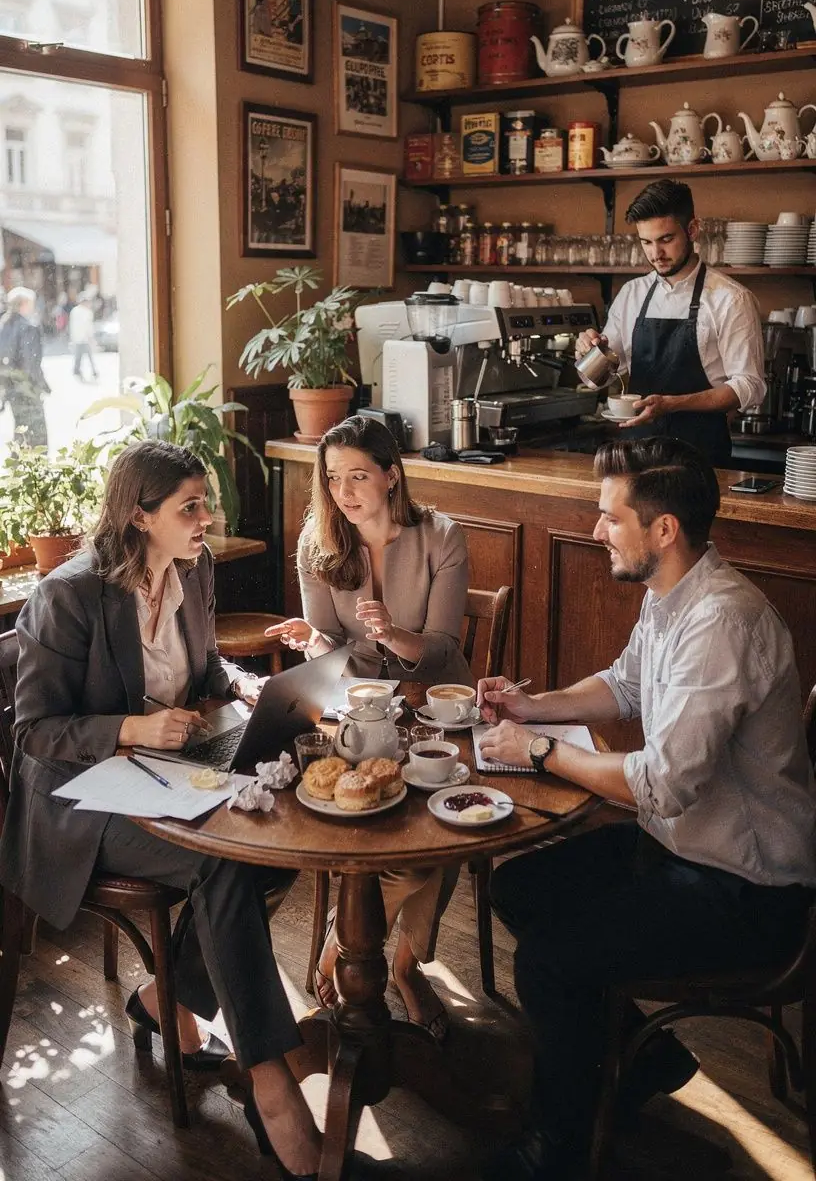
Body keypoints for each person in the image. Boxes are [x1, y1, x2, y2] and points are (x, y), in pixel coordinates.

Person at [475, 436, 816, 1181]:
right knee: (518, 887)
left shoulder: (722, 621)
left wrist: (538, 753)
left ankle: (555, 1153)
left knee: (550, 963)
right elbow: (624, 685)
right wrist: (535, 706)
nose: (596, 529)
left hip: (746, 890)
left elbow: (660, 786)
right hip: (679, 851)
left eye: (608, 516)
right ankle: (647, 1058)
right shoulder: (673, 595)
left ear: (663, 530)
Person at [0, 441, 323, 1179]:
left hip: (166, 773)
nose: (206, 518)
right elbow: (34, 731)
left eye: (206, 502)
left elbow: (201, 667)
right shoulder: (69, 596)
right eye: (190, 507)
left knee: (280, 838)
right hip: (79, 801)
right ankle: (275, 1096)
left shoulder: (194, 568)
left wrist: (241, 686)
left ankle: (162, 999)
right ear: (140, 516)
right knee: (225, 867)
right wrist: (133, 729)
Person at [267, 414, 471, 1039]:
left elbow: (441, 648)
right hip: (356, 715)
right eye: (332, 479)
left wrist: (391, 634)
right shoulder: (316, 543)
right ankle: (378, 957)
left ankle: (386, 961)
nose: (344, 491)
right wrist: (313, 640)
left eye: (358, 475)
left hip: (435, 711)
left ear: (391, 475)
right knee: (364, 822)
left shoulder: (442, 537)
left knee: (439, 837)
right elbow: (332, 652)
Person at [576, 180, 765, 467]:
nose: (655, 254)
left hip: (699, 459)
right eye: (646, 242)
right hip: (635, 456)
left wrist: (672, 404)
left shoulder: (731, 298)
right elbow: (607, 376)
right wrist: (589, 352)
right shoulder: (632, 294)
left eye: (665, 239)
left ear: (692, 230)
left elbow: (749, 386)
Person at [0, 285, 50, 446]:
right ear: (23, 304)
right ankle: (36, 467)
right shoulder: (29, 327)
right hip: (26, 389)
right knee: (36, 434)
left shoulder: (3, 325)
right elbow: (31, 364)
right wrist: (40, 386)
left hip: (10, 388)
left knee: (20, 429)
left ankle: (18, 465)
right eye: (31, 303)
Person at [69, 289, 99, 381]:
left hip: (78, 338)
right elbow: (88, 326)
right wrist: (90, 337)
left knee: (79, 356)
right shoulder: (86, 312)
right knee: (87, 356)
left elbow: (73, 326)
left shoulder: (75, 311)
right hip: (84, 338)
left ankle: (78, 371)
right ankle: (92, 371)